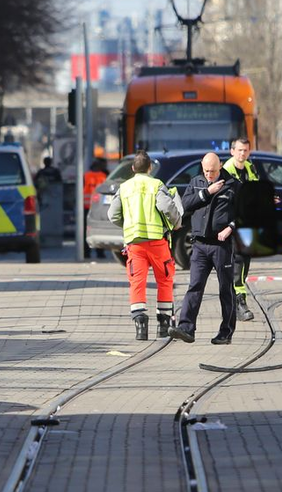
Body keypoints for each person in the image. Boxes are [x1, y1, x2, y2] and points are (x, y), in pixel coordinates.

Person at [108, 150, 181, 340]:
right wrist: (176, 222)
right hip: (157, 242)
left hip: (135, 244)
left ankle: (140, 325)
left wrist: (128, 223)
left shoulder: (124, 188)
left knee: (137, 282)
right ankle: (164, 325)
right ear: (150, 168)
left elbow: (112, 215)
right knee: (164, 280)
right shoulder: (156, 185)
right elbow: (167, 208)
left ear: (133, 168)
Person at [171, 152, 239, 346]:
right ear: (202, 167)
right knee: (195, 286)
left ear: (220, 167)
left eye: (213, 171)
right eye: (207, 170)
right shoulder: (197, 182)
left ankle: (226, 332)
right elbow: (184, 206)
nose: (209, 174)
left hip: (221, 246)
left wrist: (230, 228)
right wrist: (207, 192)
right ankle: (186, 328)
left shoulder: (232, 185)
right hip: (200, 245)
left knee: (226, 289)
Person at [221, 136, 259, 322]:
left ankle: (235, 300)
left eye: (245, 150)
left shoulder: (250, 168)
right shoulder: (226, 171)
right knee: (237, 262)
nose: (242, 153)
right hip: (231, 224)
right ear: (232, 151)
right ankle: (239, 301)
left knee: (244, 262)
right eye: (239, 150)